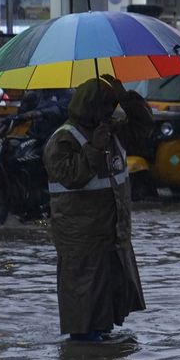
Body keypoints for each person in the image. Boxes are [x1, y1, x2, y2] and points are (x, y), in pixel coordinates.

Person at [42, 74, 152, 342]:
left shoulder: (112, 130)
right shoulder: (63, 139)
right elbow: (71, 176)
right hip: (81, 238)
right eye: (107, 106)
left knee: (107, 298)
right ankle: (84, 353)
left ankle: (99, 347)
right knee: (84, 301)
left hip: (110, 232)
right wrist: (94, 148)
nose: (110, 112)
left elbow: (144, 127)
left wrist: (126, 97)